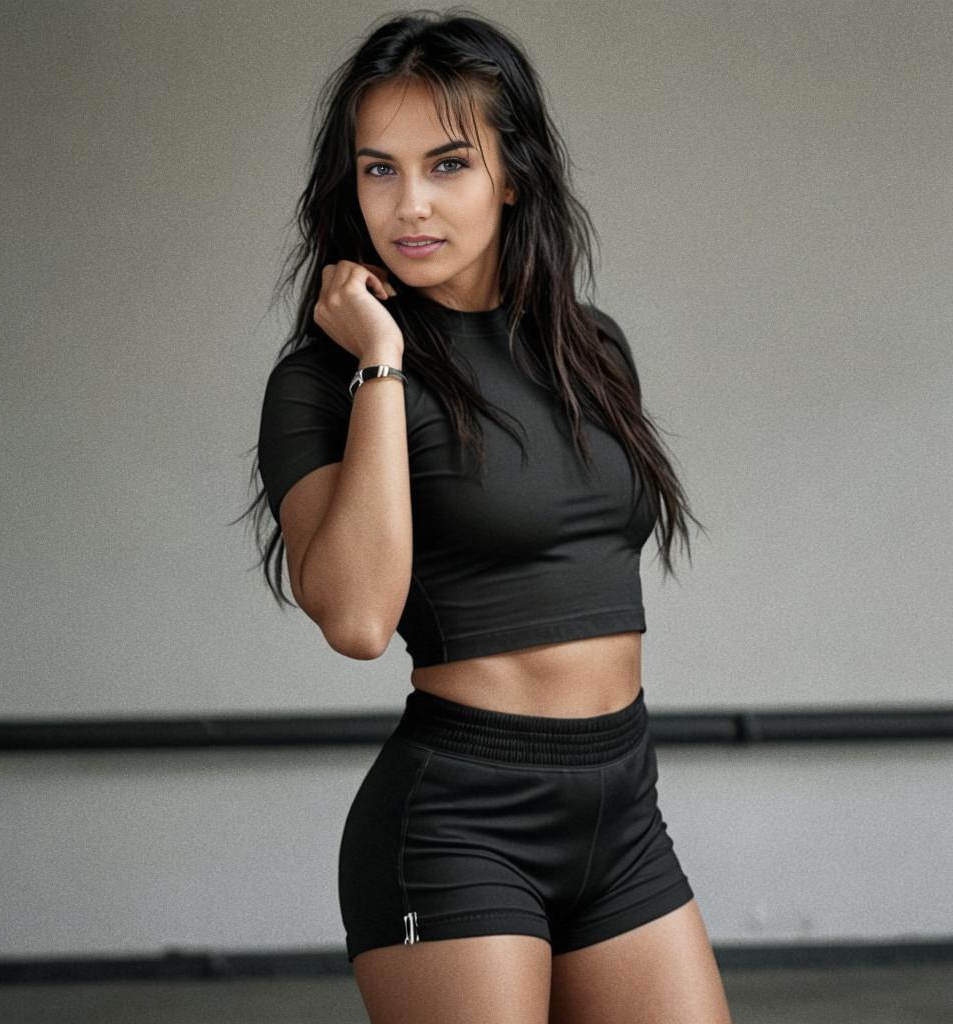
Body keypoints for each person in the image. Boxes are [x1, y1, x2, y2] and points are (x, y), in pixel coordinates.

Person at [240, 9, 732, 1023]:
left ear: (512, 174)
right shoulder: (322, 381)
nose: (408, 203)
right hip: (461, 820)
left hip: (623, 809)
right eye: (378, 169)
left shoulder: (589, 349)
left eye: (447, 164)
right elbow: (356, 620)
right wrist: (381, 362)